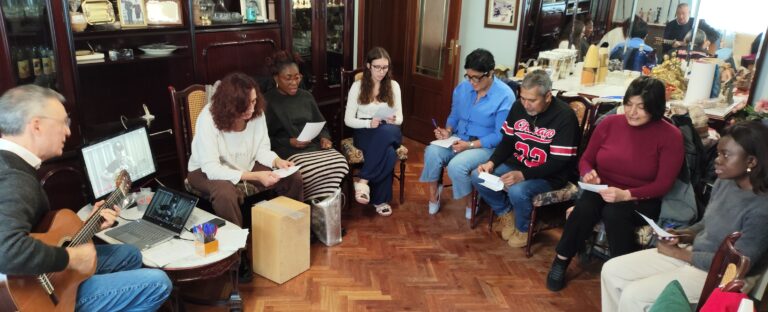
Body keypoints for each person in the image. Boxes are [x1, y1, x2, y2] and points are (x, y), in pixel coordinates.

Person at [0, 85, 171, 311]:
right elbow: (6, 250)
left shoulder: (12, 164)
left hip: (38, 276)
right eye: (62, 122)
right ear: (37, 125)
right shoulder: (13, 177)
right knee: (158, 283)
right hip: (34, 294)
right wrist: (70, 257)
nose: (68, 132)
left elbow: (38, 233)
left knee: (128, 254)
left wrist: (86, 226)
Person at [601, 121, 768, 311]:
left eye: (725, 155)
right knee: (612, 270)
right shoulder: (726, 183)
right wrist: (682, 234)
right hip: (694, 254)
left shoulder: (762, 208)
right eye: (718, 153)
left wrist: (679, 253)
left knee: (635, 296)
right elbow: (707, 224)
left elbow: (735, 264)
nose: (717, 160)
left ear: (751, 161)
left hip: (723, 275)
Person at [546, 76, 685, 291]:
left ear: (655, 108)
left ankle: (624, 273)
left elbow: (663, 184)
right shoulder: (610, 124)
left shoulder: (671, 136)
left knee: (615, 213)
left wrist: (626, 195)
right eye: (629, 104)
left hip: (641, 196)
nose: (632, 112)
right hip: (603, 188)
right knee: (584, 207)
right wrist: (588, 173)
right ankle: (561, 260)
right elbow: (586, 159)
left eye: (641, 107)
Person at [471, 70, 579, 248]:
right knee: (478, 176)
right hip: (519, 164)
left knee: (517, 191)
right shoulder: (518, 107)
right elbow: (507, 141)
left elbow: (559, 162)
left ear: (547, 96)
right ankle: (506, 213)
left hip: (550, 175)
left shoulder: (565, 117)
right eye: (523, 98)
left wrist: (523, 175)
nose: (526, 105)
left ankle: (522, 229)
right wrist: (492, 163)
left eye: (532, 100)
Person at [187, 72, 304, 227]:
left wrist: (277, 161)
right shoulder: (208, 117)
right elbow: (211, 168)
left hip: (245, 164)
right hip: (204, 171)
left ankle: (288, 231)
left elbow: (262, 150)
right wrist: (255, 176)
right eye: (244, 105)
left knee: (293, 177)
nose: (251, 109)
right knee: (225, 194)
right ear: (229, 105)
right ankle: (236, 248)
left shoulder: (256, 112)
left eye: (254, 101)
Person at [419, 48, 514, 218]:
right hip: (458, 138)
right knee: (432, 152)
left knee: (457, 166)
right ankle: (434, 194)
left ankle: (470, 201)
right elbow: (454, 115)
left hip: (485, 145)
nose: (471, 82)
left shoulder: (505, 96)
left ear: (490, 73)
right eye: (468, 76)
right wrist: (447, 131)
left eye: (476, 77)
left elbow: (500, 135)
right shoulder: (463, 88)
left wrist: (469, 145)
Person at [264, 50, 349, 201]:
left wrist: (325, 138)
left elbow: (321, 124)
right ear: (276, 78)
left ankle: (324, 203)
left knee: (340, 162)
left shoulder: (306, 96)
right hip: (287, 150)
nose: (294, 82)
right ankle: (309, 204)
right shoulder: (268, 101)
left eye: (297, 77)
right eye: (288, 78)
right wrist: (288, 141)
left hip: (314, 145)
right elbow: (264, 140)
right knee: (307, 171)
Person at [344, 47, 403, 216]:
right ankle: (380, 200)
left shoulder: (394, 86)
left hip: (389, 130)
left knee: (386, 131)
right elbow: (348, 120)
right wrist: (370, 123)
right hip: (365, 131)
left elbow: (400, 118)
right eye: (377, 67)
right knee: (390, 153)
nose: (381, 71)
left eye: (385, 67)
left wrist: (391, 119)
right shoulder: (358, 86)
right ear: (368, 66)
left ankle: (363, 180)